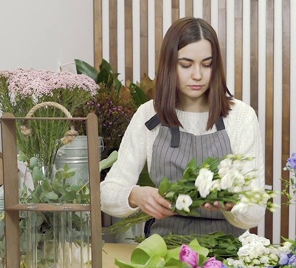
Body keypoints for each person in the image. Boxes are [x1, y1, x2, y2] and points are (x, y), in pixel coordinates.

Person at [100, 17, 266, 237]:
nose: (197, 75)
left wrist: (230, 204)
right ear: (169, 65)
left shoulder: (241, 117)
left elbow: (256, 209)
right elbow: (106, 193)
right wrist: (135, 194)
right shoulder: (149, 115)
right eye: (186, 65)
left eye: (207, 64)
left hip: (229, 252)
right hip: (164, 249)